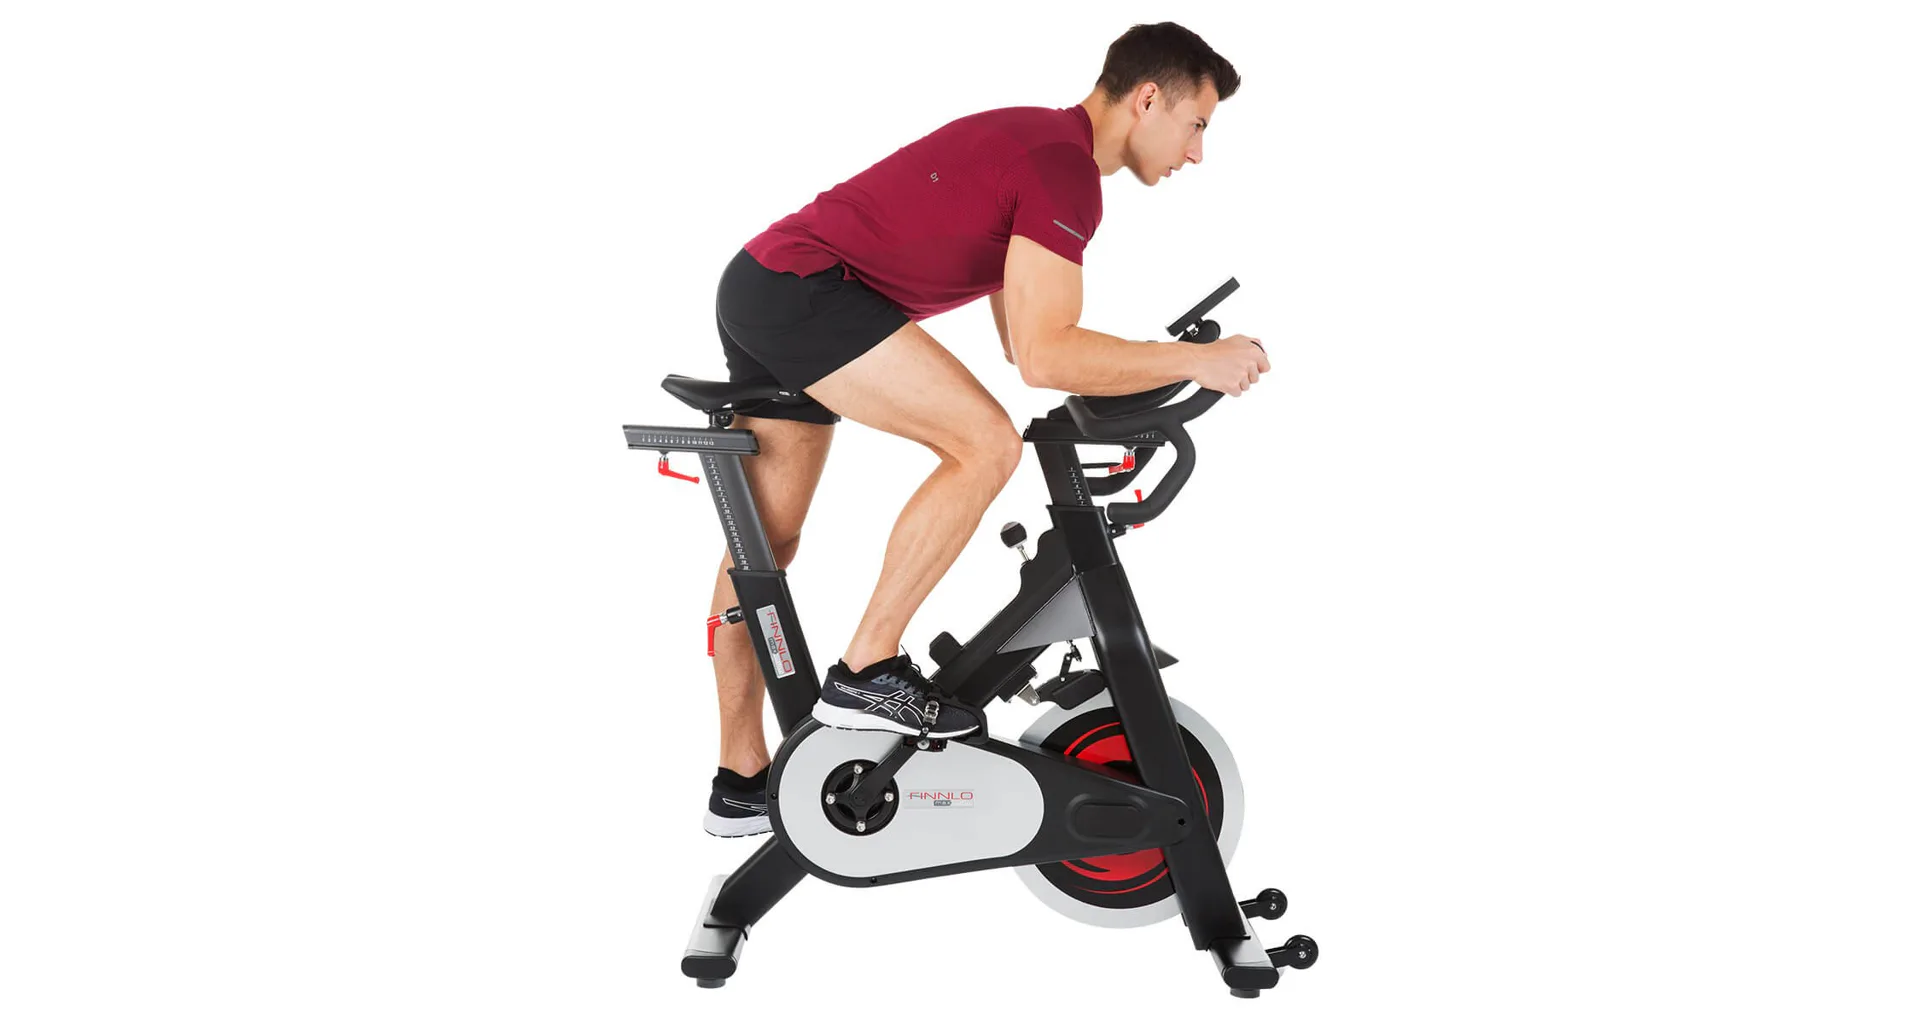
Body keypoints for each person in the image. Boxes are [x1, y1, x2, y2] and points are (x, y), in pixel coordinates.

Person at [701, 22, 1269, 838]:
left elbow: (1023, 344)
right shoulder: (1063, 169)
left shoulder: (1042, 147)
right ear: (1148, 100)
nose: (1197, 152)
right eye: (1197, 124)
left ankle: (739, 781)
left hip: (767, 283)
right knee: (986, 445)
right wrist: (1195, 360)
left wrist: (1157, 366)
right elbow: (1045, 356)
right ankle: (866, 668)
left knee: (767, 546)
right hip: (806, 289)